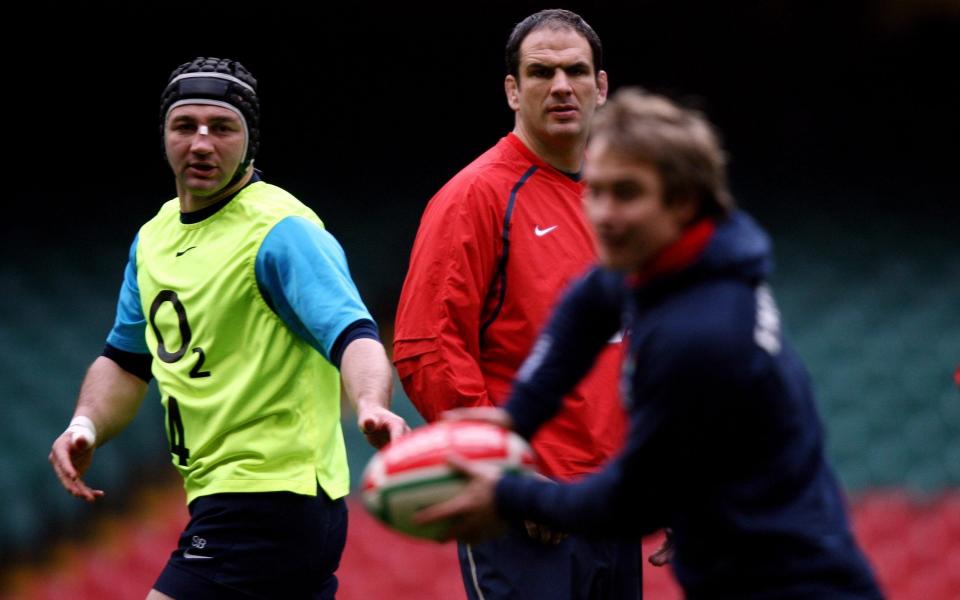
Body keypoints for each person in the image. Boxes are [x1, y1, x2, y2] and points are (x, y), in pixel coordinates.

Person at [417, 88, 885, 599]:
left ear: (683, 202)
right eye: (595, 191)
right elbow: (590, 303)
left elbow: (631, 501)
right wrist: (517, 419)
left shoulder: (703, 331)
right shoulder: (678, 257)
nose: (603, 213)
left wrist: (511, 494)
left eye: (627, 193)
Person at [48, 56, 410, 599]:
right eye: (184, 126)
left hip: (269, 497)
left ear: (250, 139)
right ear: (164, 135)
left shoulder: (281, 231)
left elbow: (354, 333)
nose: (201, 143)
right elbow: (125, 360)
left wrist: (370, 403)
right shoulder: (152, 238)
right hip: (231, 498)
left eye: (222, 128)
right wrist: (85, 425)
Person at [393, 9, 644, 600]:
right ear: (513, 89)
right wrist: (508, 475)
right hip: (526, 516)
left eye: (577, 71)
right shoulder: (476, 196)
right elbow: (426, 348)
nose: (561, 86)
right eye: (541, 73)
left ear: (601, 86)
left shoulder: (619, 202)